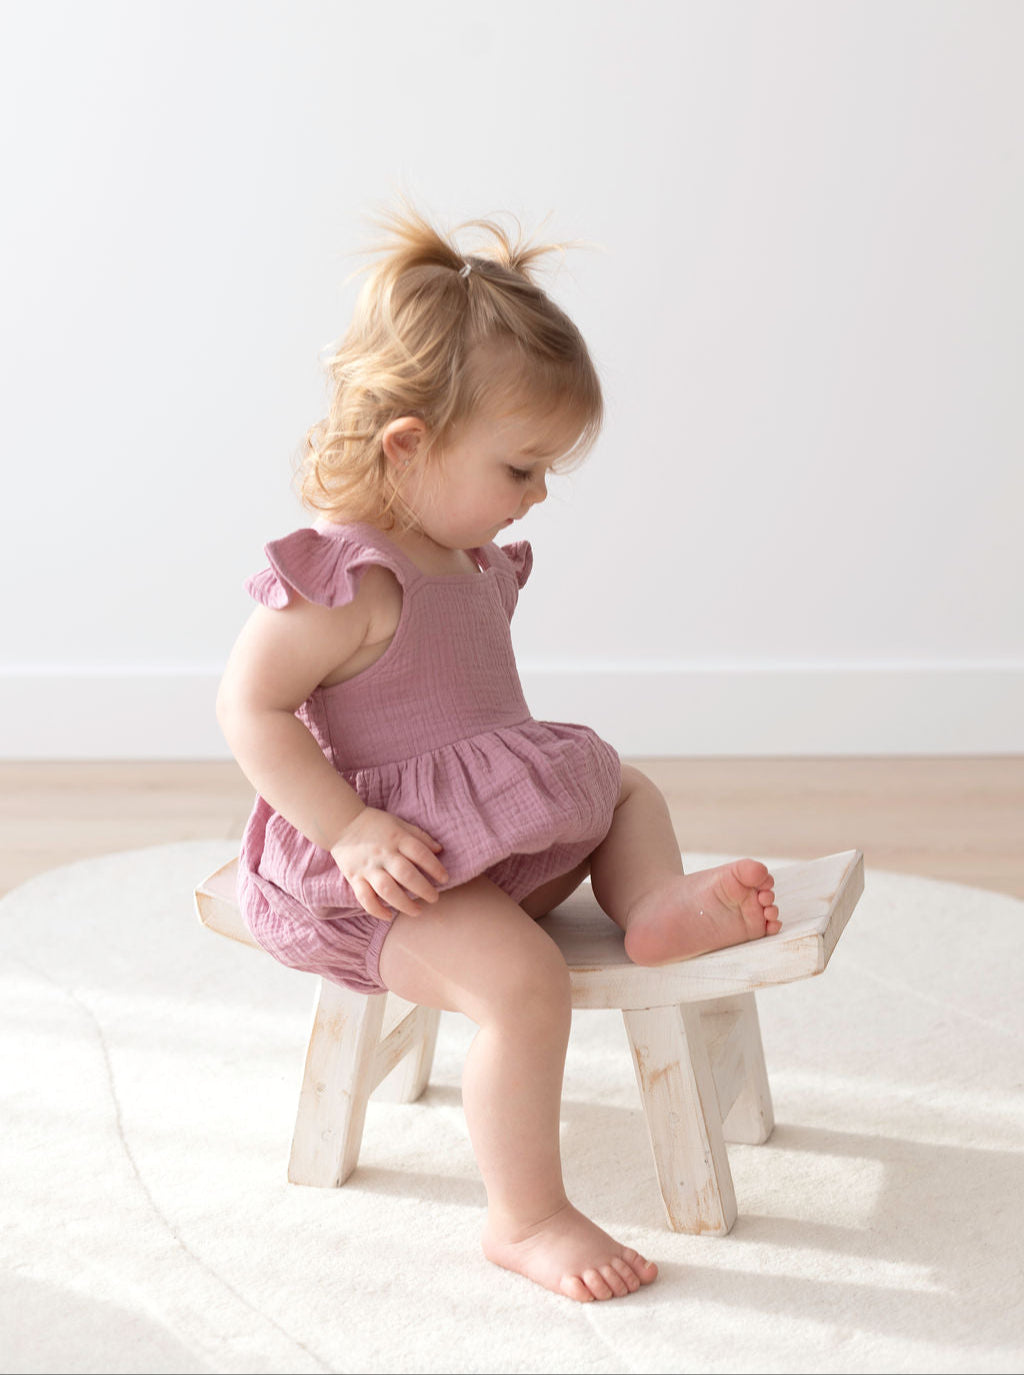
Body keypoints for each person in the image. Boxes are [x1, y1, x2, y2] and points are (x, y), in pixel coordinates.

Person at [217, 206, 781, 1303]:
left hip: (469, 842)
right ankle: (525, 1217)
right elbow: (250, 709)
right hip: (382, 881)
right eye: (522, 468)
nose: (537, 496)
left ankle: (652, 903)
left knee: (623, 787)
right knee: (524, 985)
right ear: (409, 444)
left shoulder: (463, 555)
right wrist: (350, 827)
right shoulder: (346, 579)